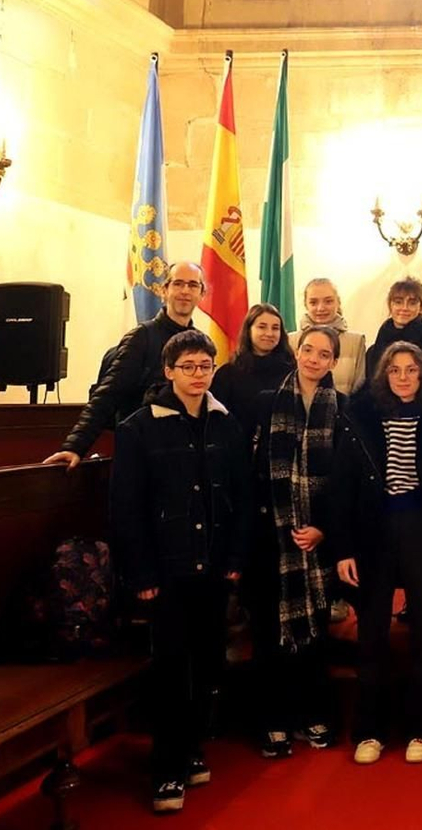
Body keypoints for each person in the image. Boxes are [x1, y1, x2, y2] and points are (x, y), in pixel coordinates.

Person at [109, 329, 251, 813]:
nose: (196, 375)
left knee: (207, 663)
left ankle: (191, 748)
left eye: (204, 366)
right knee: (170, 670)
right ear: (169, 371)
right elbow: (126, 509)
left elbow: (241, 501)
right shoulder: (138, 428)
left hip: (211, 567)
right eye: (187, 366)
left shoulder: (226, 424)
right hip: (165, 572)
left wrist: (233, 560)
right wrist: (141, 574)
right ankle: (166, 768)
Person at [339, 342, 422, 765]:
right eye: (395, 370)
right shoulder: (361, 417)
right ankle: (370, 730)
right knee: (372, 631)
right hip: (373, 529)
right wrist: (344, 548)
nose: (404, 377)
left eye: (412, 369)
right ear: (384, 376)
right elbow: (344, 487)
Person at [246, 325, 365, 758]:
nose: (314, 359)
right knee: (270, 637)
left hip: (318, 542)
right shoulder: (264, 403)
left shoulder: (344, 408)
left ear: (334, 361)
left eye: (324, 354)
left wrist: (324, 530)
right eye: (308, 350)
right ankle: (273, 721)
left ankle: (314, 716)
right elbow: (250, 473)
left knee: (314, 636)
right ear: (297, 352)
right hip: (271, 538)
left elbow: (347, 481)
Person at [46, 261, 205, 468]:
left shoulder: (200, 343)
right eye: (178, 283)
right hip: (142, 452)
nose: (185, 291)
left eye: (193, 285)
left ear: (202, 294)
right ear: (164, 290)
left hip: (184, 454)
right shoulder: (142, 337)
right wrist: (75, 446)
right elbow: (108, 394)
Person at [211, 303, 295, 429]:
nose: (269, 333)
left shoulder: (293, 371)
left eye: (275, 328)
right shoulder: (227, 373)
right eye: (262, 327)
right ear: (248, 330)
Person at [365, 277, 422, 380]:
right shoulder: (378, 344)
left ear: (421, 307)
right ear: (390, 305)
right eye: (398, 302)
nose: (404, 308)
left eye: (412, 303)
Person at [295, 278, 368, 395]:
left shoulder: (356, 341)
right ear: (306, 304)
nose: (321, 308)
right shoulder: (291, 340)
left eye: (328, 301)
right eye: (313, 303)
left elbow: (359, 385)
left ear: (338, 302)